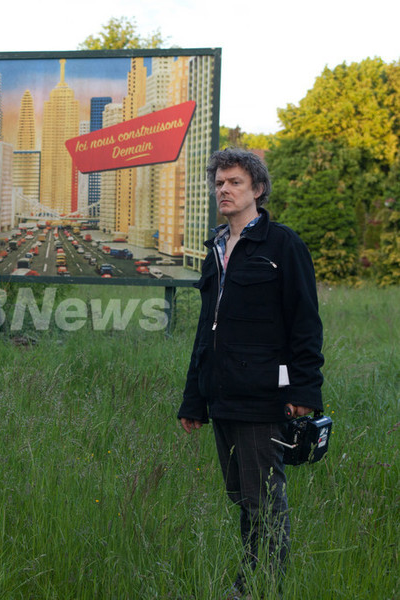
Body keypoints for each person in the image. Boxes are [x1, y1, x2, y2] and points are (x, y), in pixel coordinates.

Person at [178, 149, 324, 597]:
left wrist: (305, 390)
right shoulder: (215, 250)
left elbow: (305, 323)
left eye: (234, 182)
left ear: (257, 189)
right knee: (242, 496)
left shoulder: (283, 245)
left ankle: (265, 585)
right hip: (222, 395)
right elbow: (207, 331)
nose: (224, 189)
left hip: (265, 395)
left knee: (263, 497)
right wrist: (193, 399)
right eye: (219, 182)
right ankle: (253, 577)